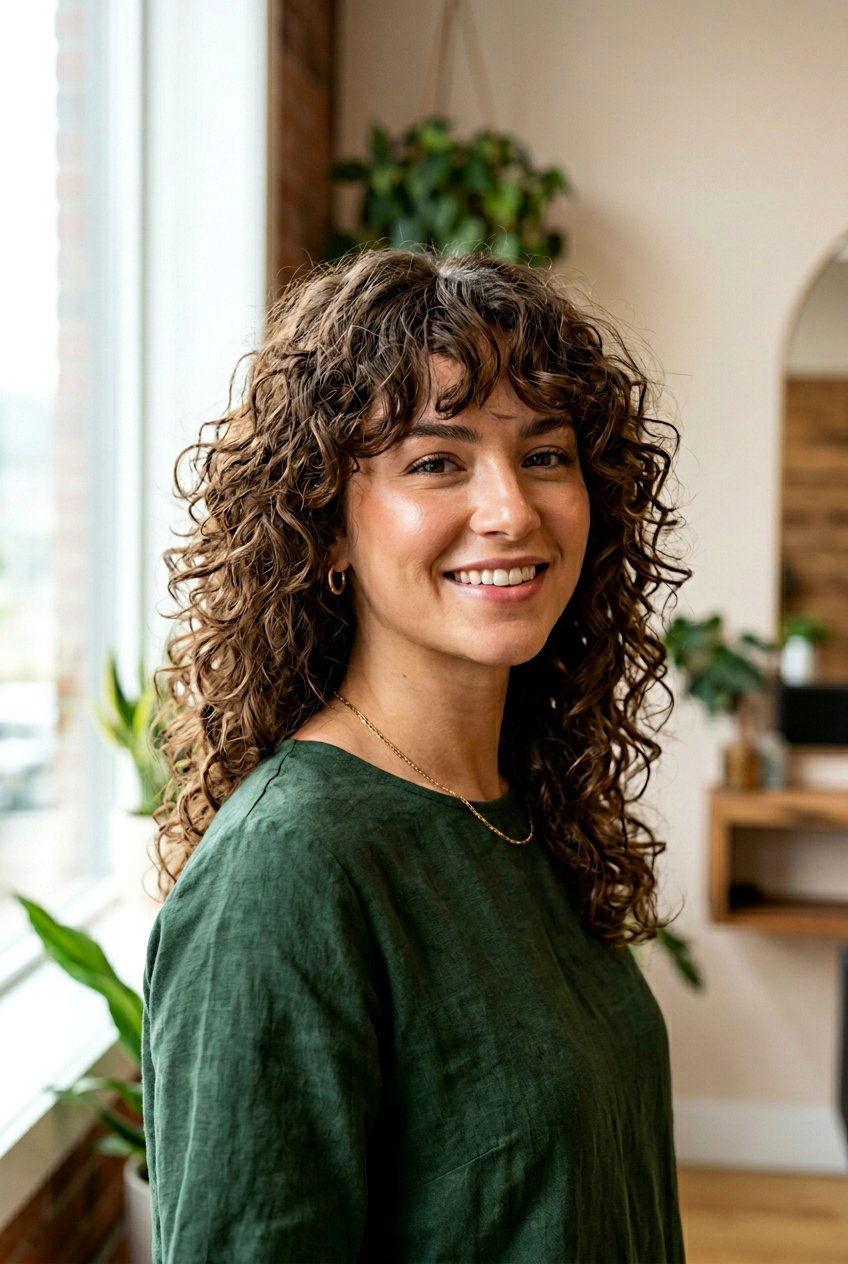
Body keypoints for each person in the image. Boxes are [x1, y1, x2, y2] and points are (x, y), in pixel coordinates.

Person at [141, 246, 691, 1262]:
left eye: (544, 453)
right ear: (328, 526)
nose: (511, 510)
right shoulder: (288, 868)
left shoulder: (518, 804)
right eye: (436, 460)